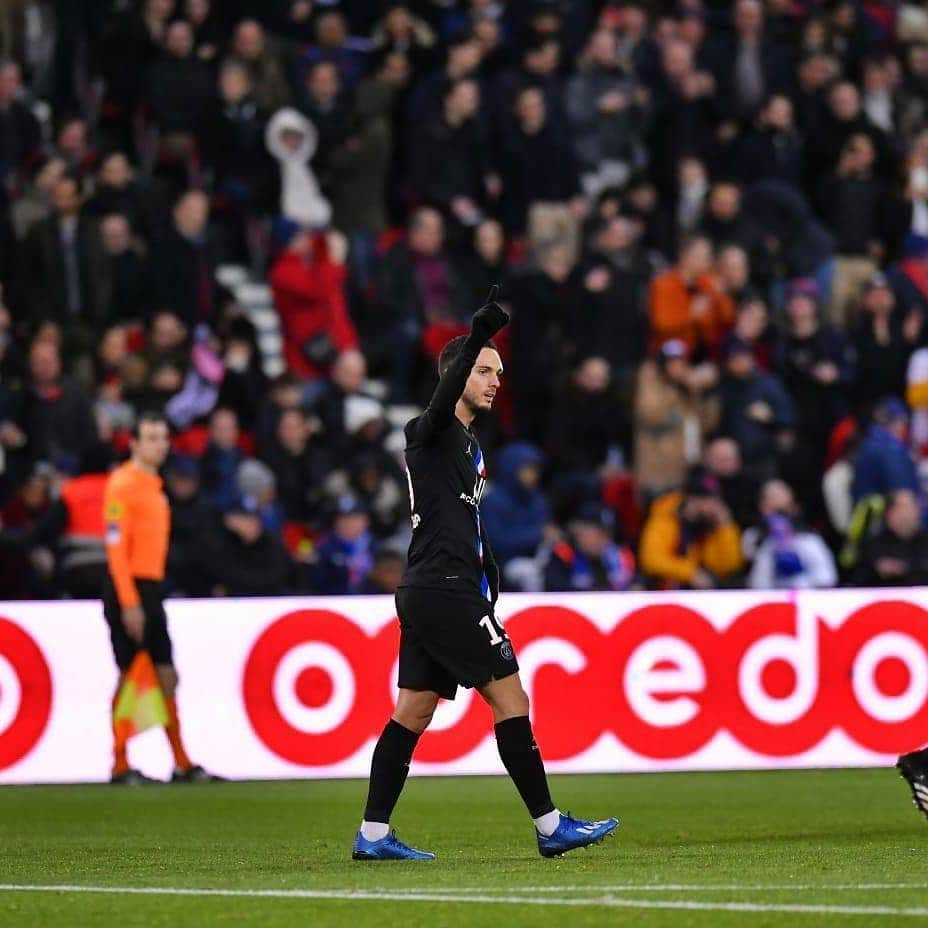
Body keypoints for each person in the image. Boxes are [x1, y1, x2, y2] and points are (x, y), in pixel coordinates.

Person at [352, 290, 618, 861]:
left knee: (414, 710)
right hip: (444, 591)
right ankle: (550, 826)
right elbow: (438, 405)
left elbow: (460, 519)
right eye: (484, 370)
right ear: (456, 374)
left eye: (499, 371)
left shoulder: (469, 444)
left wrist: (488, 567)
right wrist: (475, 335)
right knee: (511, 697)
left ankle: (373, 835)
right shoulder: (430, 431)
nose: (496, 380)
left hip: (435, 587)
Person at [102, 411, 216, 784]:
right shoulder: (122, 484)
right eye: (151, 438)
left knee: (166, 676)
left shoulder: (153, 485)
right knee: (130, 675)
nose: (160, 445)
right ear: (133, 443)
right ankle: (119, 763)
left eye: (163, 437)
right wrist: (130, 602)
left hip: (150, 587)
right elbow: (116, 548)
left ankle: (181, 762)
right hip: (130, 588)